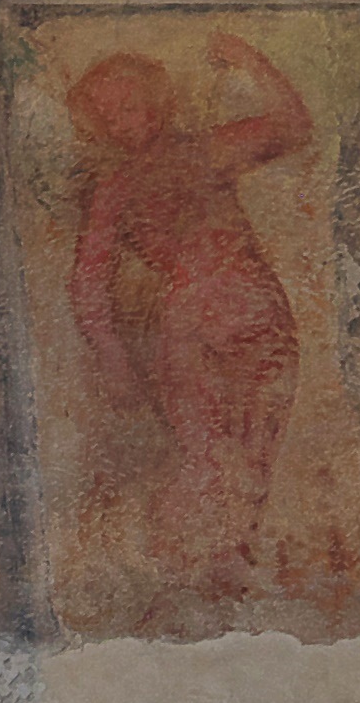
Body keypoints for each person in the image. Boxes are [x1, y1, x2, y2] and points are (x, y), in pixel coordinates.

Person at [63, 34, 314, 601]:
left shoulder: (206, 151)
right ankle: (168, 575)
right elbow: (89, 281)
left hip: (261, 319)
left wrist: (253, 60)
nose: (121, 123)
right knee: (205, 461)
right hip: (191, 330)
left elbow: (294, 125)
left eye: (128, 105)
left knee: (254, 463)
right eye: (106, 116)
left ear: (157, 100)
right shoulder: (116, 188)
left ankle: (228, 579)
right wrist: (112, 359)